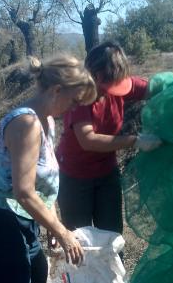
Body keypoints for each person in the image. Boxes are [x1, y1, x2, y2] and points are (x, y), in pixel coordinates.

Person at [0, 56, 97, 283]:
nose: (73, 108)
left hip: (24, 224)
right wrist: (62, 232)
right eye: (74, 101)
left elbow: (42, 184)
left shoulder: (47, 121)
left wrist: (53, 223)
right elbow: (24, 192)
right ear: (56, 91)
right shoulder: (26, 124)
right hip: (2, 225)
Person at [56, 41, 161, 237]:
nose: (115, 90)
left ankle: (112, 268)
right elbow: (88, 140)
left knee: (112, 236)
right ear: (95, 77)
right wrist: (135, 140)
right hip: (75, 178)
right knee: (81, 240)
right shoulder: (79, 96)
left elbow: (155, 88)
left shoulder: (117, 84)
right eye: (110, 84)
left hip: (106, 173)